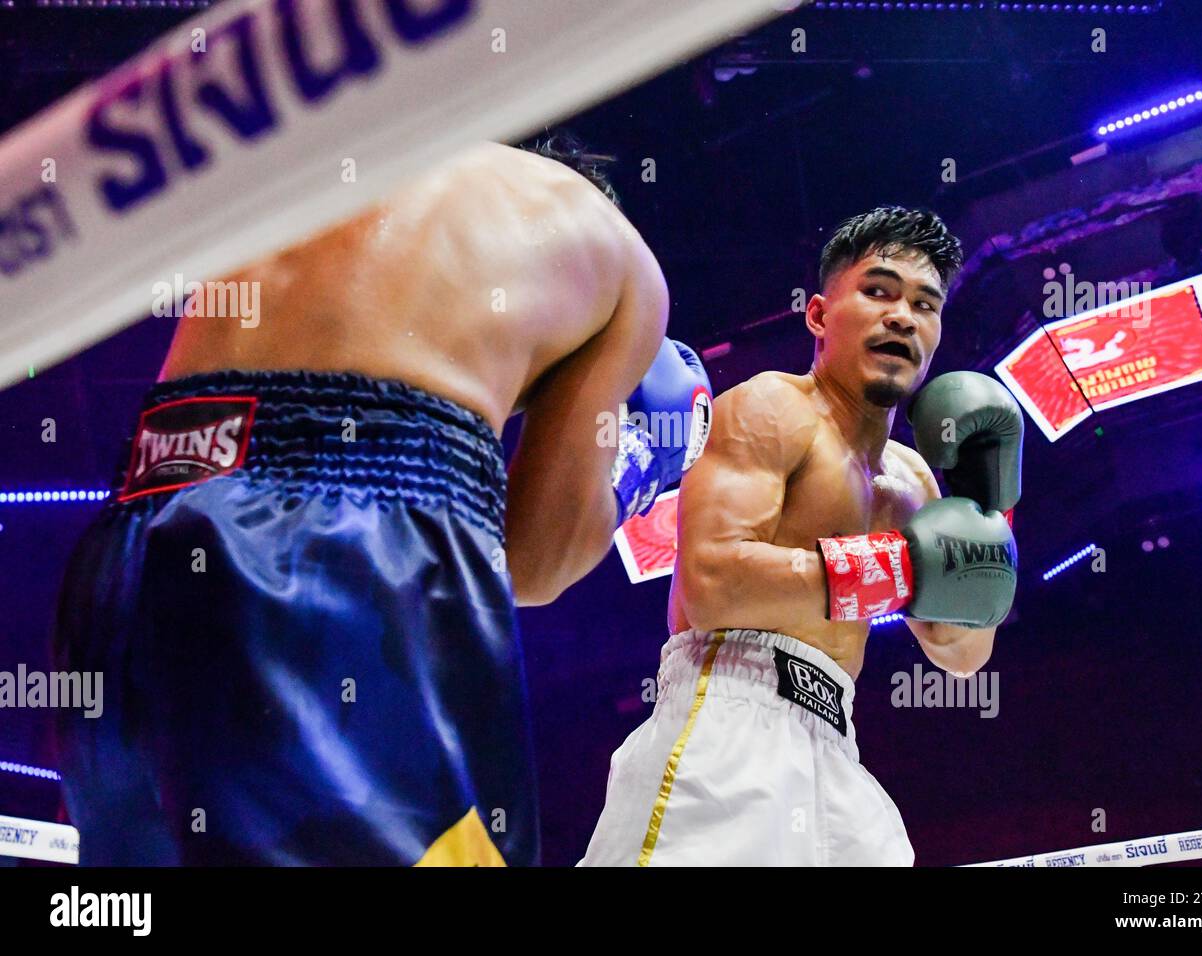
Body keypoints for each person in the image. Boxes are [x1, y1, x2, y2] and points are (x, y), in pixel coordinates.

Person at [53, 138, 711, 866]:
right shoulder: (621, 262)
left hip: (133, 529)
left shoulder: (336, 151)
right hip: (341, 547)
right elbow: (535, 561)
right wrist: (638, 465)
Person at [580, 206, 1022, 866]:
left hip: (836, 742)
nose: (903, 316)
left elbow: (962, 654)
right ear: (818, 315)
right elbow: (712, 585)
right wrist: (898, 566)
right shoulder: (770, 409)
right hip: (728, 714)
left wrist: (991, 509)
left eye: (925, 305)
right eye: (878, 291)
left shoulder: (916, 481)